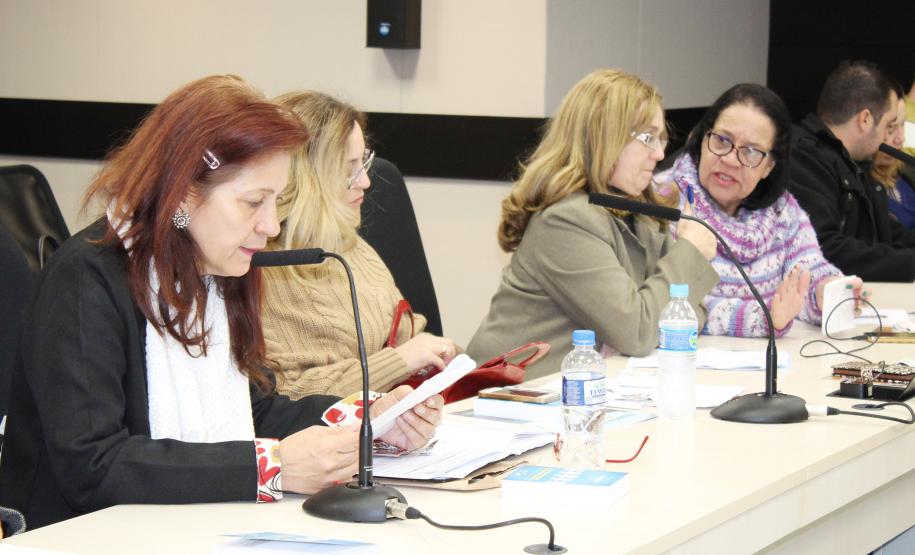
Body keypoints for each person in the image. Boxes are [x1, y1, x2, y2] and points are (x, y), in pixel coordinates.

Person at [0, 76, 442, 530]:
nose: (270, 226)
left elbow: (254, 409)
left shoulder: (218, 270)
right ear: (185, 195)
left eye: (276, 201)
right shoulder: (85, 279)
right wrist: (271, 468)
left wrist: (370, 418)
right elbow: (93, 465)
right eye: (253, 203)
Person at [465, 69, 719, 379]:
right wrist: (690, 251)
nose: (660, 153)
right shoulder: (564, 221)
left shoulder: (643, 212)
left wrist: (648, 319)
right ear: (603, 137)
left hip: (583, 394)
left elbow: (689, 314)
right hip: (507, 400)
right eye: (648, 138)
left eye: (662, 138)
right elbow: (638, 332)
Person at [262, 91, 458, 400]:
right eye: (348, 168)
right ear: (309, 176)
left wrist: (447, 355)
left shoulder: (351, 246)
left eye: (363, 162)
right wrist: (400, 361)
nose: (365, 181)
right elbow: (289, 397)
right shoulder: (263, 271)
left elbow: (408, 335)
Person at [655, 84, 861, 337]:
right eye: (722, 140)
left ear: (769, 166)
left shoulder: (782, 211)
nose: (730, 159)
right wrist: (763, 317)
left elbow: (807, 270)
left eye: (751, 152)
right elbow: (672, 305)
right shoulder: (663, 201)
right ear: (702, 138)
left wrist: (824, 291)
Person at [790, 61, 915, 281]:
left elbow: (887, 232)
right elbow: (827, 249)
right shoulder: (803, 159)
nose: (889, 137)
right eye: (888, 125)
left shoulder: (852, 162)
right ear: (865, 119)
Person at [872, 94, 915, 230]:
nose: (900, 138)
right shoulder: (861, 188)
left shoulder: (904, 170)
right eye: (890, 128)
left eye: (902, 124)